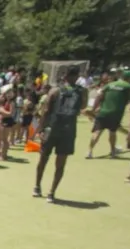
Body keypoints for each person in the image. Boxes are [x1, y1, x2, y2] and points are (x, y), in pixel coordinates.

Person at [34, 66, 87, 202]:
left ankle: (37, 186)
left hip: (52, 128)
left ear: (64, 76)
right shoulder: (82, 91)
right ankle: (52, 192)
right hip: (69, 130)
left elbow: (46, 111)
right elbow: (82, 107)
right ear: (77, 77)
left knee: (43, 159)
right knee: (61, 163)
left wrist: (40, 129)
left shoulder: (55, 90)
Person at [87, 70, 130, 159]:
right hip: (115, 113)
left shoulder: (110, 85)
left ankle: (89, 152)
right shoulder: (129, 87)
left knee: (97, 132)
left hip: (103, 112)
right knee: (112, 132)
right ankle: (113, 152)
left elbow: (99, 97)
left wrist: (93, 109)